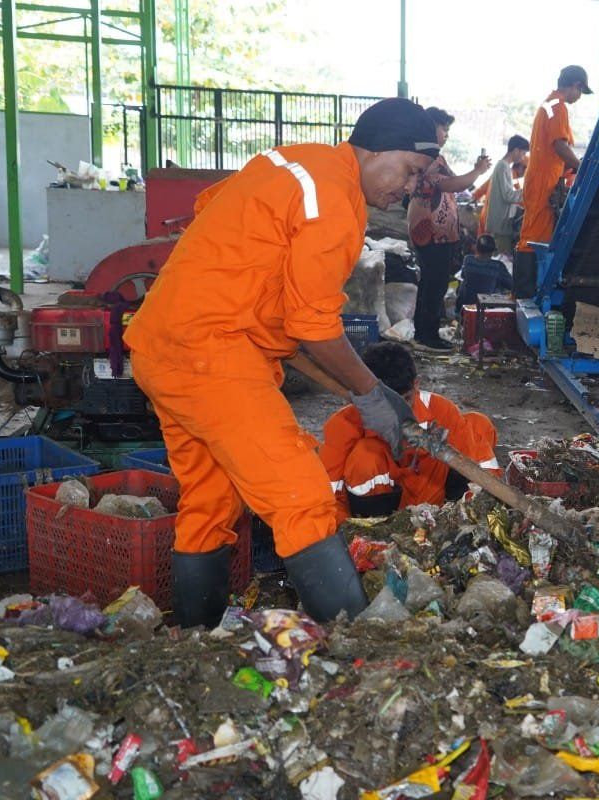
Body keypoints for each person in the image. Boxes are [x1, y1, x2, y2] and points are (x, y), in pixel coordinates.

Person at [124, 98, 439, 628]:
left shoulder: (296, 163)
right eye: (410, 171)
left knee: (211, 501)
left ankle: (195, 638)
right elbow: (314, 326)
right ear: (376, 146)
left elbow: (289, 328)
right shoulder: (333, 200)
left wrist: (359, 395)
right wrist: (368, 391)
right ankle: (362, 652)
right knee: (300, 492)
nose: (409, 188)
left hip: (165, 348)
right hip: (212, 354)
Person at [321, 342, 501, 517]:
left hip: (436, 505)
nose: (397, 414)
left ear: (416, 385)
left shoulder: (440, 409)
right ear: (365, 395)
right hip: (385, 512)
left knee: (478, 425)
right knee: (366, 455)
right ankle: (377, 524)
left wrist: (480, 511)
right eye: (385, 405)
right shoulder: (344, 423)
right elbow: (327, 497)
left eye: (406, 399)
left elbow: (483, 467)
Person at [408, 107, 492, 352]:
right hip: (432, 232)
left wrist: (475, 172)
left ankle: (422, 332)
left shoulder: (430, 157)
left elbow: (455, 184)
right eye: (444, 128)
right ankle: (428, 336)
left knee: (430, 283)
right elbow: (453, 184)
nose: (446, 134)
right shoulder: (429, 159)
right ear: (430, 126)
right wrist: (477, 170)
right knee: (435, 284)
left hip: (432, 231)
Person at [514, 65, 590, 297]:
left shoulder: (548, 104)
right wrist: (583, 167)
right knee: (533, 238)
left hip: (540, 181)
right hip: (544, 183)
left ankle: (526, 294)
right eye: (581, 91)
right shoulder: (558, 106)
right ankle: (525, 296)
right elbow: (559, 145)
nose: (579, 97)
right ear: (576, 85)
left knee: (533, 233)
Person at [485, 135, 530, 254]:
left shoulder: (504, 167)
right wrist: (528, 192)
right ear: (516, 150)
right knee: (502, 259)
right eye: (523, 153)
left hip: (501, 224)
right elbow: (508, 195)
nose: (523, 157)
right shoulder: (503, 167)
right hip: (501, 226)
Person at [456, 234, 514, 314]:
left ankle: (457, 312)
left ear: (476, 249)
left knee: (462, 284)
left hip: (464, 309)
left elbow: (463, 275)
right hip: (486, 310)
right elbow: (511, 285)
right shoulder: (498, 266)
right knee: (502, 291)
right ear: (492, 252)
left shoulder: (468, 260)